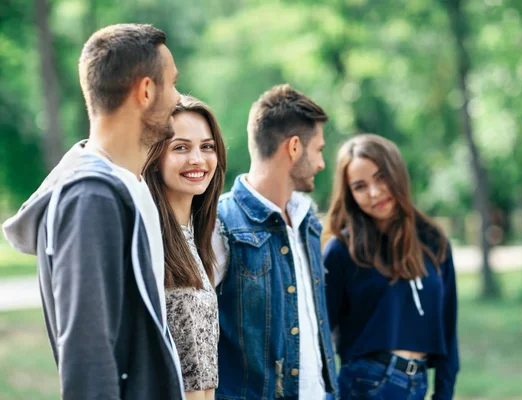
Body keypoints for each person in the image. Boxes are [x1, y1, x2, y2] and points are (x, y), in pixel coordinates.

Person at [2, 24, 185, 399]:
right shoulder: (91, 197)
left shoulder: (129, 187)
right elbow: (88, 354)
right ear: (146, 91)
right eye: (173, 83)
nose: (179, 98)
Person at [213, 84, 339, 399]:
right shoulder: (220, 223)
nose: (322, 163)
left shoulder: (308, 222)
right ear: (294, 147)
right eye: (319, 149)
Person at [323, 134, 459, 400]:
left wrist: (444, 393)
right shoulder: (342, 250)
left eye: (381, 177)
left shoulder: (433, 241)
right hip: (365, 384)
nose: (374, 193)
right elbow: (320, 338)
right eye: (360, 186)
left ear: (396, 173)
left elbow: (449, 327)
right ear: (350, 194)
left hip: (418, 383)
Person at [142, 95, 226, 400]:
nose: (198, 159)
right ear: (155, 157)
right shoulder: (146, 240)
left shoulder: (197, 240)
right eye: (180, 147)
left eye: (207, 146)